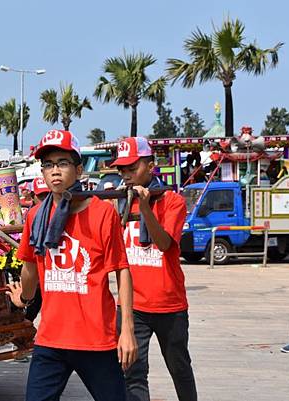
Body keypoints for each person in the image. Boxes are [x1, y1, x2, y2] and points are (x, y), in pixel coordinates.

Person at [7, 129, 137, 401]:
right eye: (48, 165)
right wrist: (26, 297)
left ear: (78, 170)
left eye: (62, 163)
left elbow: (122, 270)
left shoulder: (102, 213)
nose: (55, 171)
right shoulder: (35, 217)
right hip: (51, 338)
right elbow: (30, 265)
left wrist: (127, 331)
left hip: (95, 339)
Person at [112, 137, 197, 401]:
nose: (126, 175)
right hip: (132, 306)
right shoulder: (120, 202)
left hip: (169, 305)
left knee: (179, 368)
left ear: (151, 166)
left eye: (132, 168)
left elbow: (163, 243)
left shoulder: (172, 201)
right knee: (132, 372)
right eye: (122, 170)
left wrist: (146, 207)